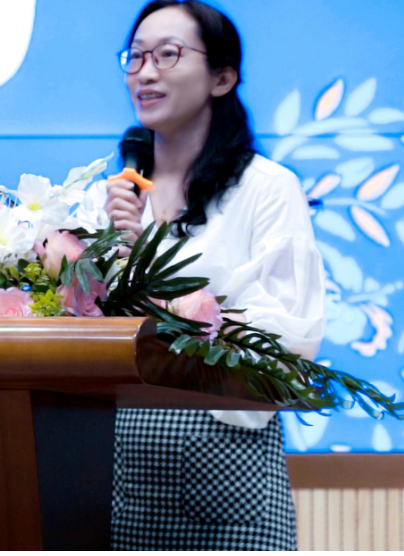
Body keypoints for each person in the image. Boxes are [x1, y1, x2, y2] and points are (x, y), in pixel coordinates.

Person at [105, 0, 327, 550]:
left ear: (222, 78)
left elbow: (287, 339)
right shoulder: (112, 198)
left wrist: (165, 294)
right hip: (115, 454)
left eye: (167, 54)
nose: (145, 73)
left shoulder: (267, 189)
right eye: (135, 57)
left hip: (223, 453)